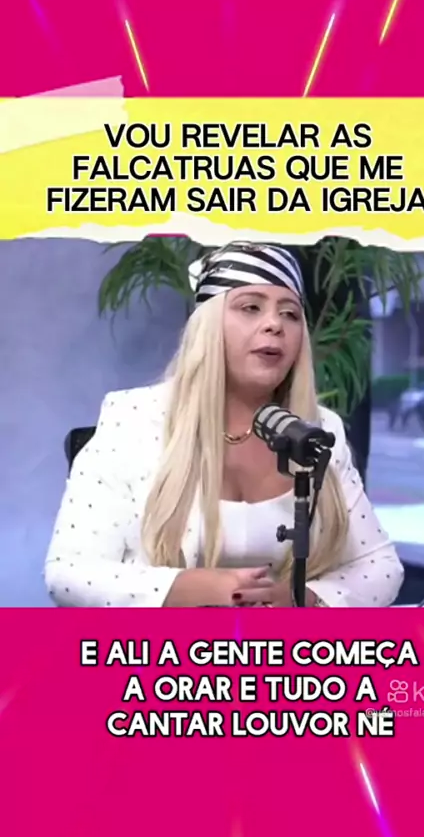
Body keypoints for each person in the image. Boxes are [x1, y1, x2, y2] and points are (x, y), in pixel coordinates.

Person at [44, 241, 404, 607]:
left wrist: (305, 598)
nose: (274, 325)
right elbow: (70, 573)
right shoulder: (133, 419)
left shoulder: (318, 431)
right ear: (209, 326)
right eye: (250, 308)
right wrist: (194, 588)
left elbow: (381, 567)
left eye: (290, 314)